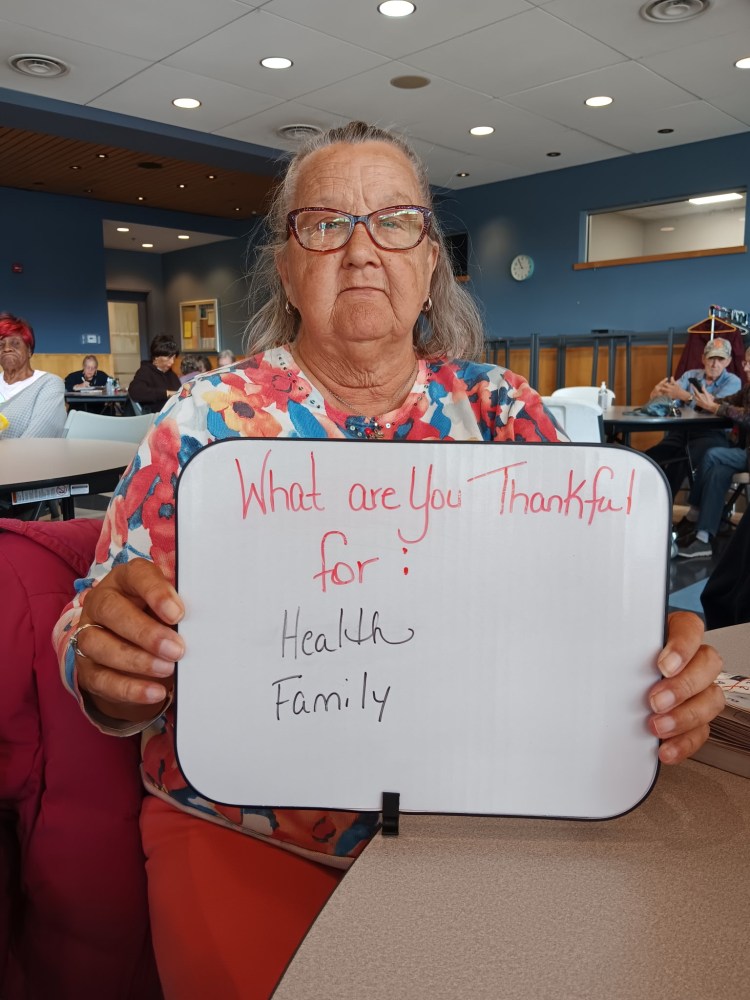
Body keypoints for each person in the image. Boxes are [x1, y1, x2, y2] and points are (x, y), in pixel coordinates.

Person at [52, 122, 724, 998]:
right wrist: (107, 666)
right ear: (287, 267)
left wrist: (652, 668)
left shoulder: (502, 411)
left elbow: (585, 620)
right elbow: (93, 616)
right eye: (325, 223)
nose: (362, 249)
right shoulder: (206, 419)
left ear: (431, 263)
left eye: (396, 222)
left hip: (486, 821)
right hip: (245, 825)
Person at [674, 346, 750, 559]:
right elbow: (727, 402)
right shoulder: (747, 389)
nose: (746, 368)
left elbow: (746, 417)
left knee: (712, 454)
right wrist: (709, 400)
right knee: (717, 472)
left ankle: (694, 513)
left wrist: (716, 408)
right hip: (744, 452)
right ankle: (703, 539)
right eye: (746, 363)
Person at [645, 337, 740, 499]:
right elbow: (671, 400)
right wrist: (657, 397)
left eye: (720, 359)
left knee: (682, 460)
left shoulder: (733, 382)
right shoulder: (690, 375)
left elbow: (714, 407)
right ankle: (640, 503)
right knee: (650, 458)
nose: (715, 364)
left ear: (728, 361)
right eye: (711, 358)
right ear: (703, 358)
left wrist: (686, 397)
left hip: (713, 435)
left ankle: (662, 505)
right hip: (683, 432)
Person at [0, 312, 66, 439]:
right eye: (0, 345)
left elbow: (37, 437)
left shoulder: (49, 384)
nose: (7, 349)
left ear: (29, 350)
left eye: (15, 343)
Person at [128, 335, 181, 414]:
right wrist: (166, 393)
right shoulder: (145, 372)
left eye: (174, 358)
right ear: (156, 357)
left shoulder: (172, 375)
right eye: (169, 358)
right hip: (155, 417)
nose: (172, 362)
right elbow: (135, 391)